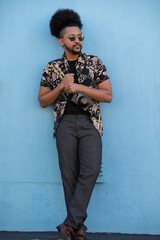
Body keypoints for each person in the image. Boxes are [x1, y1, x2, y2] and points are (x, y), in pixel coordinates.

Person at [38, 9, 112, 240]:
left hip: (90, 123)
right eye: (72, 38)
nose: (77, 41)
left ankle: (68, 224)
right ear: (61, 41)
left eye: (80, 37)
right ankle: (77, 230)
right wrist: (61, 86)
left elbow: (108, 95)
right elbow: (42, 101)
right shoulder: (52, 68)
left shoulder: (95, 62)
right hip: (65, 124)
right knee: (68, 175)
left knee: (89, 170)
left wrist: (79, 87)